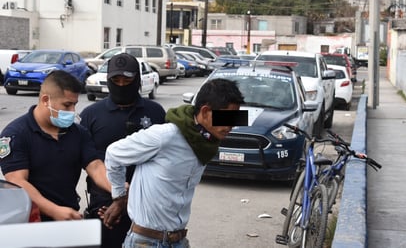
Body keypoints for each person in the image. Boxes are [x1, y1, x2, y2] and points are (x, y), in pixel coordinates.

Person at [103, 78, 244, 248]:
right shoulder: (165, 136)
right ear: (205, 111)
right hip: (145, 242)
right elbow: (114, 153)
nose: (231, 126)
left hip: (178, 240)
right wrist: (119, 197)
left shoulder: (206, 144)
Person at [80, 53, 166, 248]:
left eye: (127, 80)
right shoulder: (91, 115)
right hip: (104, 205)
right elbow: (88, 162)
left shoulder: (155, 112)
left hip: (146, 205)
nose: (121, 84)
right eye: (116, 80)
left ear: (137, 79)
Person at [0, 70, 111, 221]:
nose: (72, 111)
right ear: (46, 100)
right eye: (67, 105)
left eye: (74, 104)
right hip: (31, 220)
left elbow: (95, 167)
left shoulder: (78, 133)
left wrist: (116, 188)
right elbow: (17, 181)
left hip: (69, 215)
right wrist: (54, 210)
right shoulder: (16, 135)